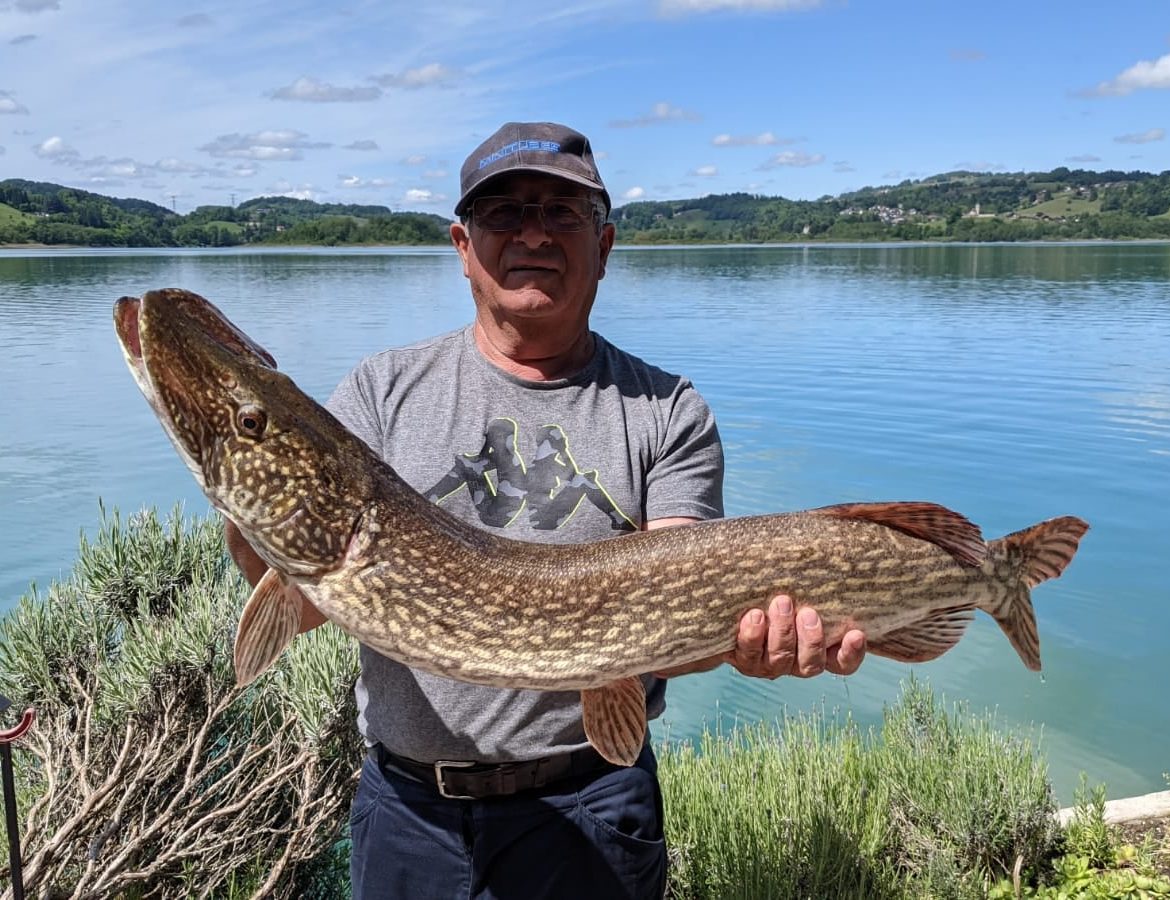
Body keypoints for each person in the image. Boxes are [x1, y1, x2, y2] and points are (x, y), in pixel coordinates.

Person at [225, 121, 868, 899]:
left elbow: (670, 605)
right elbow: (296, 598)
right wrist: (242, 485)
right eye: (504, 214)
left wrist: (748, 638)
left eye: (561, 213)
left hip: (590, 802)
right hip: (408, 811)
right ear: (464, 245)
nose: (533, 233)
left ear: (604, 244)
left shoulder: (667, 411)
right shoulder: (381, 391)